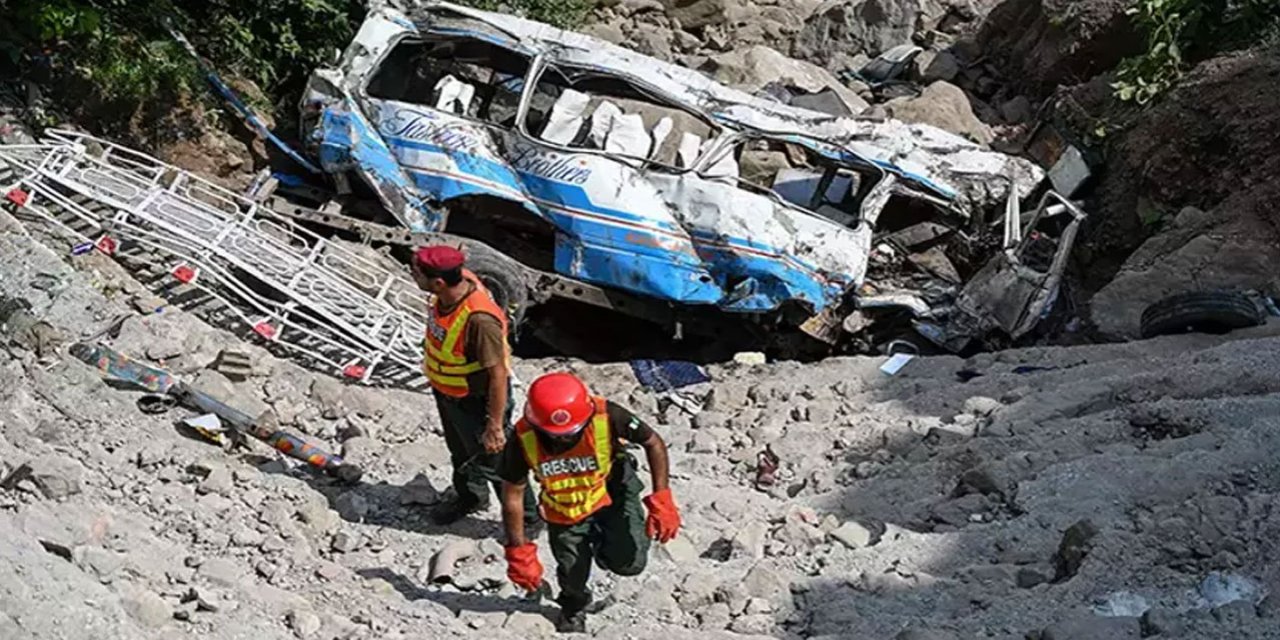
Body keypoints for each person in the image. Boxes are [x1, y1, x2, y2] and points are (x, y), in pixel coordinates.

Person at [497, 372, 681, 632]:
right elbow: (513, 494)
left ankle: (604, 547)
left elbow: (653, 442)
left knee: (630, 563)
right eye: (555, 435)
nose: (564, 439)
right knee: (572, 570)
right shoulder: (522, 438)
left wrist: (662, 497)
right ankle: (573, 607)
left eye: (571, 432)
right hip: (565, 508)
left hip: (612, 490)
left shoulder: (607, 415)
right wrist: (518, 550)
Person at [411, 245, 539, 530]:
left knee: (497, 462)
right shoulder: (451, 286)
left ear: (439, 282)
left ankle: (527, 519)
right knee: (461, 453)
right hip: (449, 394)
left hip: (477, 401)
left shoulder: (480, 320)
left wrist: (494, 425)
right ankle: (471, 497)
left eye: (417, 272)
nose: (412, 275)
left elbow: (497, 375)